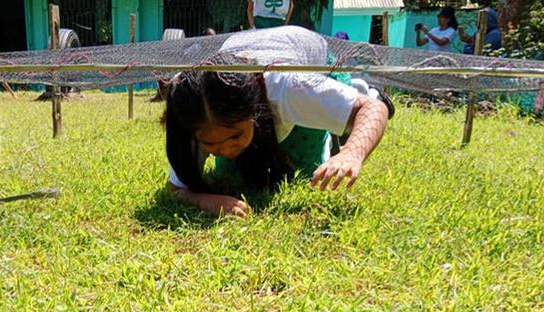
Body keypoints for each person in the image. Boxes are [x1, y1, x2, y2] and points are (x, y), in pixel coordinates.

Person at [163, 26, 389, 218]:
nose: (227, 149)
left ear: (255, 110)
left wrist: (352, 153)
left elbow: (372, 109)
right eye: (211, 144)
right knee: (236, 174)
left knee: (305, 172)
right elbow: (176, 189)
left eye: (235, 135)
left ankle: (358, 90)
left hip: (310, 61)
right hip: (256, 52)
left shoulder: (289, 88)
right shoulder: (195, 110)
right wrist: (206, 200)